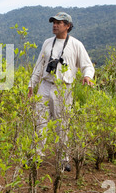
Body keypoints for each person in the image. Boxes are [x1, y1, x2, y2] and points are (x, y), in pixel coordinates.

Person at [28, 12, 94, 172]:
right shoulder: (47, 43)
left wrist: (87, 76)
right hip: (45, 85)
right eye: (54, 22)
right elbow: (39, 65)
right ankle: (36, 156)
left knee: (62, 124)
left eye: (59, 23)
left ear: (68, 26)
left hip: (63, 88)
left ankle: (63, 159)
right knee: (39, 121)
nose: (55, 25)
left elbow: (87, 65)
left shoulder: (76, 45)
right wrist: (32, 84)